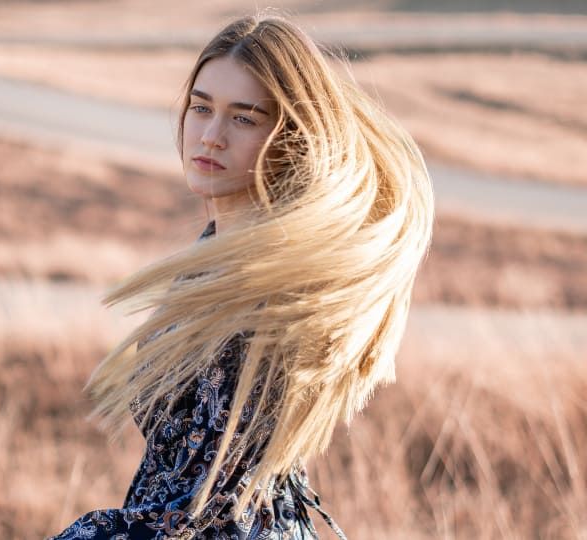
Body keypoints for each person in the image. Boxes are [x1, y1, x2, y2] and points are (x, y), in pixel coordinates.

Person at [47, 11, 433, 540]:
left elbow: (207, 502)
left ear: (293, 135)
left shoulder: (270, 290)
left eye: (243, 118)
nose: (210, 135)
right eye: (201, 107)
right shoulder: (216, 260)